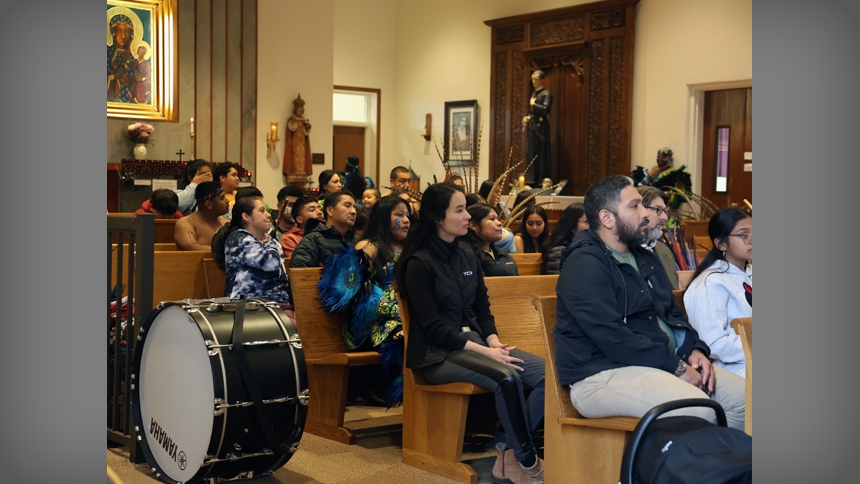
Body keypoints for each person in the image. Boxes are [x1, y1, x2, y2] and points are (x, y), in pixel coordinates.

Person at [554, 175, 745, 431]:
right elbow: (612, 337)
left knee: (746, 398)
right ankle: (685, 469)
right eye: (635, 206)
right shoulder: (584, 264)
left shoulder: (645, 257)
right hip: (600, 374)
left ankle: (728, 469)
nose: (645, 213)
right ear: (607, 218)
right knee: (697, 407)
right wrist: (677, 367)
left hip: (658, 362)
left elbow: (674, 316)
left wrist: (695, 352)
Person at [395, 182, 545, 484]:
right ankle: (527, 460)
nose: (467, 217)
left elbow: (481, 306)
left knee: (548, 374)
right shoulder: (418, 263)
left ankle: (507, 449)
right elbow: (434, 329)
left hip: (476, 344)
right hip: (437, 355)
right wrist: (487, 353)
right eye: (459, 210)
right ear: (439, 217)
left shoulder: (467, 254)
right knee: (506, 376)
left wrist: (493, 342)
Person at [318, 195, 412, 406]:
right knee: (402, 336)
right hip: (374, 319)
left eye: (408, 215)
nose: (406, 220)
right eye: (399, 215)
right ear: (381, 217)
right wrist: (389, 307)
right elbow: (354, 289)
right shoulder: (369, 246)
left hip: (408, 313)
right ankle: (387, 387)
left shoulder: (412, 249)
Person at [683, 208, 752, 378]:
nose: (752, 240)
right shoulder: (711, 283)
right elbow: (713, 342)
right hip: (729, 367)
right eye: (744, 235)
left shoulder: (748, 273)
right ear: (721, 244)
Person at [211, 195, 293, 320]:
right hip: (249, 306)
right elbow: (270, 263)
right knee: (300, 331)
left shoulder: (273, 242)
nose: (269, 215)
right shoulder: (238, 238)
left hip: (277, 304)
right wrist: (268, 242)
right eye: (262, 211)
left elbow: (281, 275)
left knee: (308, 326)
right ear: (246, 217)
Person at [290, 191, 358, 268]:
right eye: (347, 206)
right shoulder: (313, 240)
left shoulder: (358, 241)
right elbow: (299, 274)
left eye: (354, 207)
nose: (353, 211)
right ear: (330, 210)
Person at [637, 186, 680, 290]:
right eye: (658, 210)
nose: (665, 217)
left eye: (664, 210)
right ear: (639, 210)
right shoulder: (623, 251)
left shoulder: (664, 251)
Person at [464, 203, 518, 277]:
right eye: (492, 219)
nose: (499, 223)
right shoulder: (466, 255)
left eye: (497, 219)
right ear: (474, 226)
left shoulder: (501, 252)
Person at [174, 181, 228, 251]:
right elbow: (191, 247)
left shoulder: (226, 224)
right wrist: (228, 252)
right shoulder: (185, 223)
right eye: (222, 198)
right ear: (208, 204)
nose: (227, 201)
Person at [522, 70, 553, 185]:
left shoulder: (546, 94)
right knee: (531, 152)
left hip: (541, 127)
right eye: (532, 79)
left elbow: (545, 109)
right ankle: (531, 179)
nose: (533, 81)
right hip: (533, 125)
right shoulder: (534, 94)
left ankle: (541, 180)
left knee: (541, 152)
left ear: (542, 80)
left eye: (536, 79)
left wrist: (533, 105)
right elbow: (533, 111)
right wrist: (528, 117)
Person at [541, 203, 588, 275]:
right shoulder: (559, 252)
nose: (591, 226)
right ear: (572, 226)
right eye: (587, 222)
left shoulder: (589, 246)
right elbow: (557, 282)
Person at [107, 14, 139, 103]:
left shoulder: (133, 57)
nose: (123, 36)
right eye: (119, 31)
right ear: (113, 33)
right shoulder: (108, 54)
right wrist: (114, 76)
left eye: (127, 31)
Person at [283, 94, 313, 178]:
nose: (300, 113)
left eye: (301, 111)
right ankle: (294, 171)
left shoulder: (303, 120)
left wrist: (307, 128)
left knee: (302, 157)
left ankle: (301, 171)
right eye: (298, 111)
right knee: (295, 156)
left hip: (302, 142)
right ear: (295, 110)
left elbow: (306, 132)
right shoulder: (292, 119)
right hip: (295, 141)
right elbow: (291, 129)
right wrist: (293, 125)